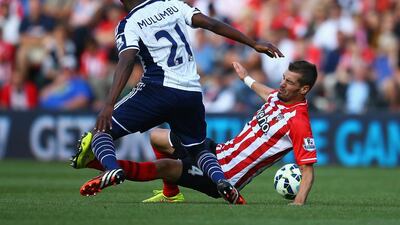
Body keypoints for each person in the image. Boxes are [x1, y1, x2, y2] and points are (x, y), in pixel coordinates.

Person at [72, 0, 283, 205]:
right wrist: (253, 43)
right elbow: (212, 24)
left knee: (101, 131)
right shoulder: (172, 5)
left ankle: (111, 168)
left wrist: (108, 104)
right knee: (198, 148)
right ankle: (221, 181)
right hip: (190, 92)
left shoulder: (129, 23)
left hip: (157, 89)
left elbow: (127, 60)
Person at [72, 61, 317, 205]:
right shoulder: (280, 98)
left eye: (290, 82)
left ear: (304, 89)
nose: (282, 84)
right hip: (217, 151)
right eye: (284, 78)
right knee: (157, 136)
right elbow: (267, 93)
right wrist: (246, 78)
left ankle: (97, 165)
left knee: (165, 166)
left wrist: (298, 203)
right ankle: (171, 195)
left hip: (225, 177)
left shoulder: (298, 122)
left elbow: (307, 169)